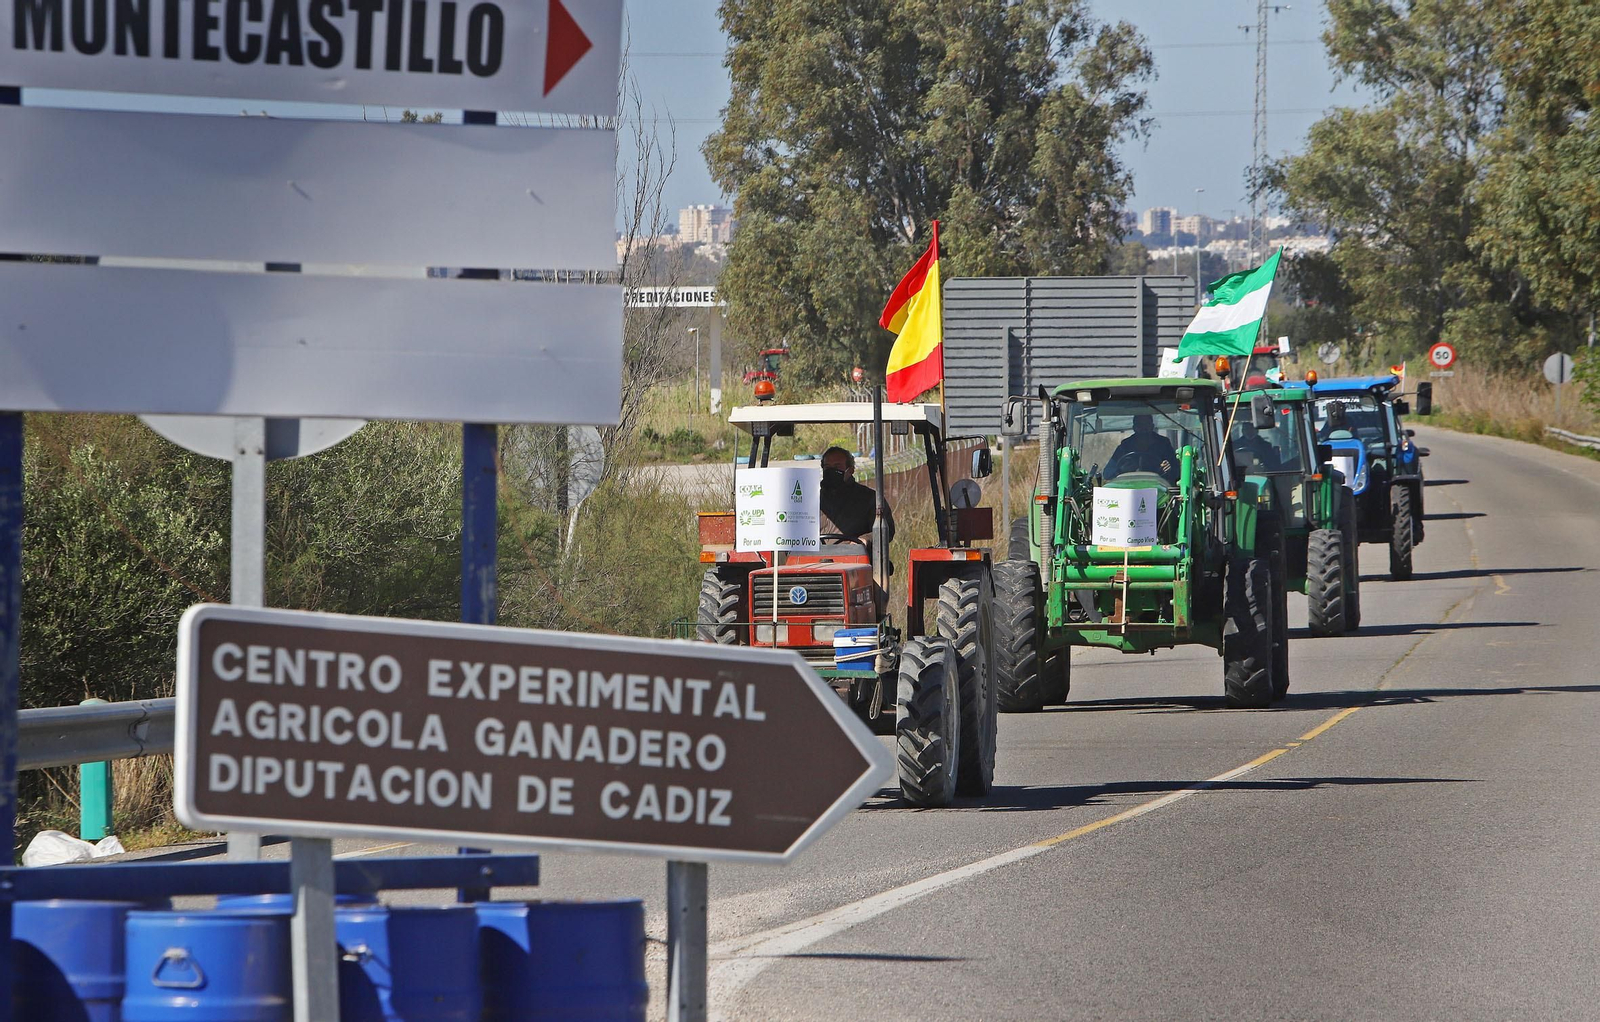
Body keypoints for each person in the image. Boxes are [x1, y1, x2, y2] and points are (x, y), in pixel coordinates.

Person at [820, 446, 895, 545]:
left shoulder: (870, 499)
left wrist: (865, 540)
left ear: (850, 470)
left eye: (837, 467)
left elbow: (885, 531)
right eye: (827, 467)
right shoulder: (813, 499)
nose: (831, 471)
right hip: (814, 557)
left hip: (854, 556)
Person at [1105, 414, 1180, 483]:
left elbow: (1178, 472)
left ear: (1152, 427)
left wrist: (1168, 468)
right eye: (1140, 425)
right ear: (1134, 428)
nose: (1144, 429)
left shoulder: (1164, 444)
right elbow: (1107, 474)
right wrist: (1121, 470)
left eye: (1146, 425)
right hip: (1128, 487)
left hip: (1159, 487)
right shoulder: (1124, 446)